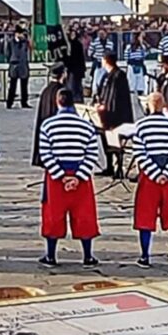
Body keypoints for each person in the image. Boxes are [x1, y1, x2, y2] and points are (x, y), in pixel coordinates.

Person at [36, 97, 106, 266]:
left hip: (55, 178)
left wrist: (61, 175)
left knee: (53, 215)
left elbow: (45, 154)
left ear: (58, 103)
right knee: (84, 215)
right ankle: (88, 256)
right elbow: (92, 154)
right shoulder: (87, 126)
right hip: (80, 177)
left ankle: (51, 256)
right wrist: (78, 176)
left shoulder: (47, 125)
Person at [129, 88, 168, 265]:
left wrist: (155, 174)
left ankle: (145, 256)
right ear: (163, 105)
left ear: (148, 106)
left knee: (145, 216)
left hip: (149, 177)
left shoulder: (141, 126)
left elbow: (140, 154)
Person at [93, 55, 134, 178]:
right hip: (106, 115)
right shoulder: (106, 75)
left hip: (117, 116)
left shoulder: (118, 76)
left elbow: (115, 97)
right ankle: (109, 165)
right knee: (105, 139)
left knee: (116, 143)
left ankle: (119, 167)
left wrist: (107, 109)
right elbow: (102, 92)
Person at [4, 30, 31, 109]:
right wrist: (11, 60)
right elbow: (7, 53)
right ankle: (9, 102)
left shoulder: (25, 42)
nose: (21, 35)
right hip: (14, 65)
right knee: (12, 85)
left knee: (24, 85)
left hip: (23, 64)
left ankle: (24, 102)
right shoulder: (10, 41)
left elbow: (30, 48)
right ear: (16, 33)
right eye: (20, 33)